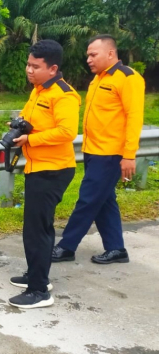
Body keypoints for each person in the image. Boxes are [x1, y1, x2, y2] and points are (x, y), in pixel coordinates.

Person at [52, 35, 145, 265]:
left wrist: (129, 155)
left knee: (88, 200)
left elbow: (134, 118)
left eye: (93, 54)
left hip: (111, 153)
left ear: (110, 54)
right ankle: (116, 249)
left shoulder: (127, 78)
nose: (89, 59)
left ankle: (66, 246)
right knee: (104, 200)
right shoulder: (98, 79)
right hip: (94, 151)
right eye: (88, 55)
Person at [7, 40, 80, 309]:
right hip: (37, 167)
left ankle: (39, 292)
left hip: (53, 169)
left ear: (53, 68)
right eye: (28, 64)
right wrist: (19, 126)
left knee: (38, 230)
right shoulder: (38, 91)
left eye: (35, 66)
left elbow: (67, 132)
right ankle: (37, 276)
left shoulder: (64, 95)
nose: (29, 70)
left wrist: (29, 139)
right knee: (33, 228)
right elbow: (32, 120)